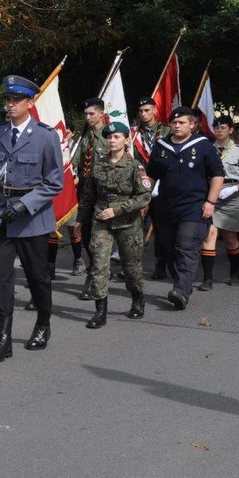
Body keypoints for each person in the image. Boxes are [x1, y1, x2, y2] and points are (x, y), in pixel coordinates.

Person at [0, 75, 64, 362]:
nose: (9, 105)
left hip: (32, 218)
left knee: (37, 278)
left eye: (15, 100)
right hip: (2, 214)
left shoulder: (46, 137)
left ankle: (43, 324)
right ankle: (3, 336)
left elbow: (55, 182)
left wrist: (24, 205)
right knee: (1, 278)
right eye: (7, 100)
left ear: (30, 103)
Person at [145, 106, 224, 310]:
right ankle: (180, 283)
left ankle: (181, 290)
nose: (177, 125)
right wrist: (143, 200)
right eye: (174, 122)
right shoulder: (161, 146)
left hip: (194, 207)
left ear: (192, 124)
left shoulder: (204, 145)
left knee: (185, 245)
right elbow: (151, 175)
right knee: (169, 249)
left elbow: (217, 175)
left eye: (182, 122)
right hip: (165, 207)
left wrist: (211, 202)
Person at [78, 121, 151, 328]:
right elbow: (88, 195)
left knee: (131, 268)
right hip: (102, 222)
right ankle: (100, 311)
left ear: (126, 140)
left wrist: (117, 209)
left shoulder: (134, 166)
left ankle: (138, 299)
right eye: (109, 137)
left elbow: (144, 197)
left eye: (117, 137)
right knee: (99, 266)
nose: (112, 140)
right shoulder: (98, 164)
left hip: (128, 224)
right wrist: (80, 219)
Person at [199, 115, 239, 288]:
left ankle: (235, 271)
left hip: (231, 196)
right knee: (209, 234)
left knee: (230, 238)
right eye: (216, 127)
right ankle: (207, 278)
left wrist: (234, 188)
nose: (220, 130)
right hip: (211, 197)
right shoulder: (207, 149)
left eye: (223, 127)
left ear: (230, 130)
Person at [69, 97, 109, 299]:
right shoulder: (84, 137)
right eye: (86, 114)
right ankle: (97, 270)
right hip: (85, 193)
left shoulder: (109, 136)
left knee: (98, 238)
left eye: (92, 113)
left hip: (103, 193)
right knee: (84, 235)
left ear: (101, 113)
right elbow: (74, 162)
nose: (88, 117)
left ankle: (94, 277)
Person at [133, 97, 171, 279]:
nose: (143, 114)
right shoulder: (133, 133)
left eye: (147, 110)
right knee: (135, 226)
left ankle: (160, 264)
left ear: (155, 110)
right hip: (139, 185)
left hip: (161, 186)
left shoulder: (167, 131)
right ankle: (133, 266)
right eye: (141, 111)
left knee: (161, 227)